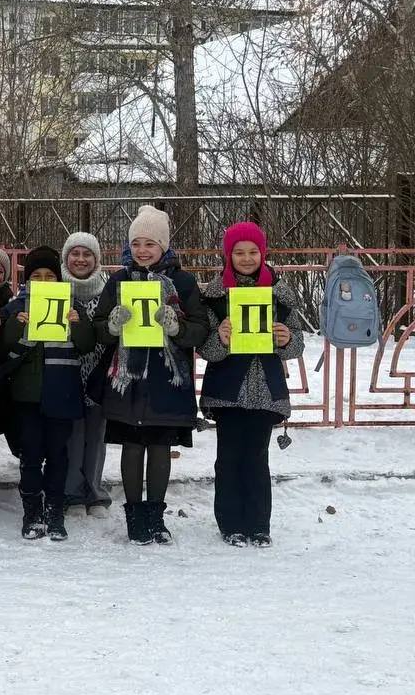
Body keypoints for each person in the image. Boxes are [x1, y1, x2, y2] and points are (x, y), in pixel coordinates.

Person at [94, 205, 208, 546]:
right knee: (131, 446)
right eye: (137, 243)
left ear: (164, 246)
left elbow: (200, 329)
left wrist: (177, 326)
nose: (143, 250)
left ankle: (156, 517)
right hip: (127, 379)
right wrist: (112, 324)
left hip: (166, 378)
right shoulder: (118, 280)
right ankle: (133, 517)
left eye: (150, 244)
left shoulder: (183, 281)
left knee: (160, 446)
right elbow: (100, 329)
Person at [199, 222, 305, 547]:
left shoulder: (279, 295)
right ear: (228, 256)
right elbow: (205, 349)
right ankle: (230, 523)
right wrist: (220, 337)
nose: (246, 258)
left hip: (265, 390)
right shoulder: (216, 298)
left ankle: (259, 524)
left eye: (253, 251)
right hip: (228, 390)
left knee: (257, 458)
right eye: (239, 252)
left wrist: (287, 340)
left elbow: (297, 341)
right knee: (228, 457)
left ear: (263, 253)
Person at [0, 246, 97, 541]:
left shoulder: (72, 305)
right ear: (28, 280)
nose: (43, 280)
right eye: (37, 276)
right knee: (30, 455)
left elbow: (88, 343)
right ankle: (32, 511)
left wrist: (77, 324)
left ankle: (55, 511)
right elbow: (4, 345)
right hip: (26, 394)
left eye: (49, 275)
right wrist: (17, 327)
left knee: (58, 455)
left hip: (62, 391)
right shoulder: (17, 306)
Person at [60, 232, 113, 517]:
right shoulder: (54, 289)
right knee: (70, 436)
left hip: (98, 374)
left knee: (96, 436)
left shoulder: (108, 291)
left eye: (87, 254)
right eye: (75, 253)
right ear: (66, 257)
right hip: (65, 374)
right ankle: (71, 493)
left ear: (97, 259)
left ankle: (94, 493)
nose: (81, 259)